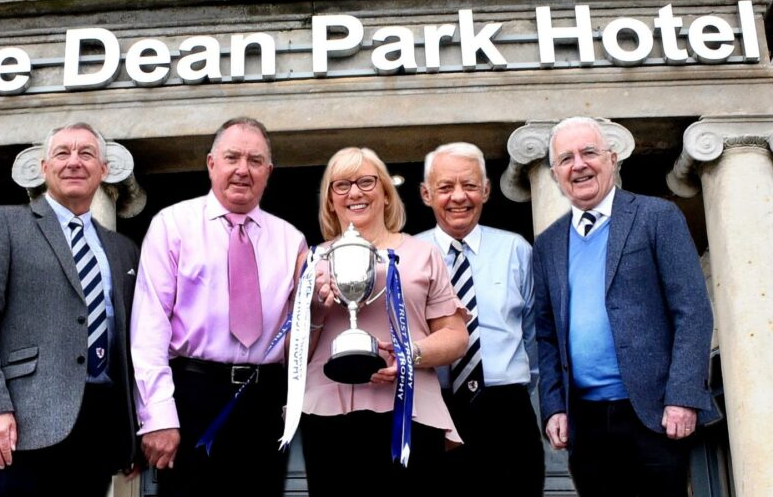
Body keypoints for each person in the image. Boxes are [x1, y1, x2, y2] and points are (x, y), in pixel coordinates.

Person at [533, 116, 719, 497]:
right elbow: (546, 333)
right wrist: (554, 407)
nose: (579, 165)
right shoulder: (549, 244)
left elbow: (692, 311)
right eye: (566, 159)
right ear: (555, 174)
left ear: (612, 159)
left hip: (653, 414)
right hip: (585, 423)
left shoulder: (657, 217)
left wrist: (683, 395)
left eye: (589, 153)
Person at [0, 123, 140, 497]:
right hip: (20, 424)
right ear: (43, 167)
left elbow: (131, 342)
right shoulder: (3, 224)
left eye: (86, 154)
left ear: (103, 170)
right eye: (63, 153)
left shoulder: (122, 250)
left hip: (98, 425)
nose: (74, 162)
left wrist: (131, 429)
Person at [131, 117, 306, 496]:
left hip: (264, 403)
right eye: (232, 158)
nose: (243, 170)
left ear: (268, 171)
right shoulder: (172, 225)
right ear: (211, 164)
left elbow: (302, 330)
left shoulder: (292, 240)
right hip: (193, 397)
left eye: (255, 161)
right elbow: (149, 326)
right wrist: (157, 415)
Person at [302, 146, 468, 496]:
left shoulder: (422, 253)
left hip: (411, 411)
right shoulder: (311, 260)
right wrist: (315, 307)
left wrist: (410, 354)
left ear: (386, 194)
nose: (355, 193)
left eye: (366, 181)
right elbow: (293, 355)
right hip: (330, 415)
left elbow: (455, 335)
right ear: (330, 200)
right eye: (341, 185)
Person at [416, 142, 545, 495]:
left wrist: (513, 387)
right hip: (432, 410)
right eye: (445, 187)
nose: (459, 197)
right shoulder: (409, 255)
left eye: (470, 185)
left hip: (507, 412)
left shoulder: (516, 250)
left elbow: (533, 332)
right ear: (426, 194)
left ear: (486, 190)